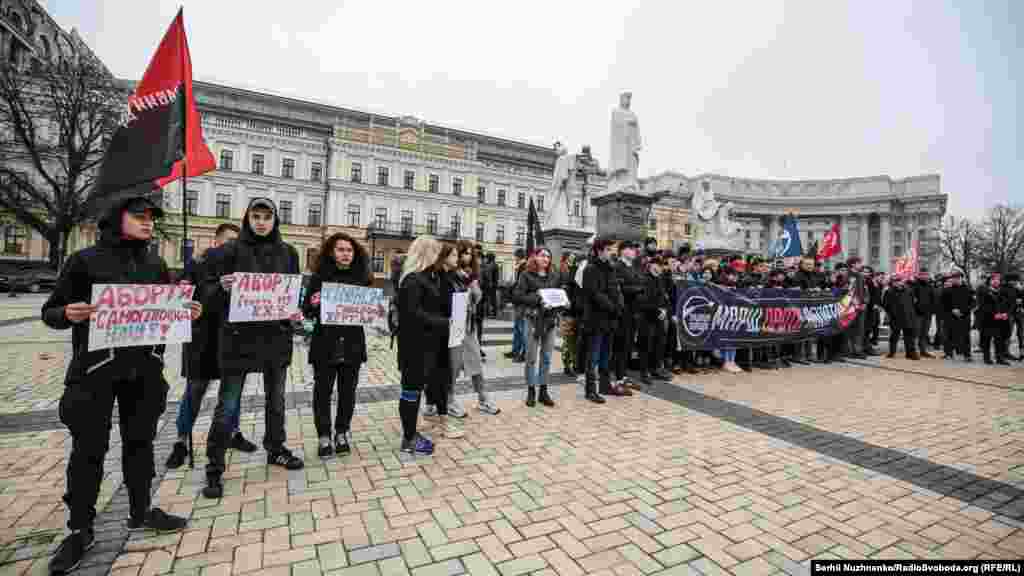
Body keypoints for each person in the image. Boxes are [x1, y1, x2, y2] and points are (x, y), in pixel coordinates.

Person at [43, 195, 198, 574]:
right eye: (139, 216)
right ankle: (80, 528)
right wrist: (66, 313)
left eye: (151, 218)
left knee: (140, 444)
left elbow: (165, 311)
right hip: (95, 371)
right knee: (89, 449)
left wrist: (187, 311)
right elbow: (50, 311)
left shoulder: (156, 262)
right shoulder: (85, 261)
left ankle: (140, 509)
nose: (148, 223)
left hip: (143, 371)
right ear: (117, 219)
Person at [202, 198, 304, 500]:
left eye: (266, 216)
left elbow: (291, 293)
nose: (261, 222)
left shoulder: (288, 253)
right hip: (237, 340)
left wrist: (294, 312)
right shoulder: (228, 252)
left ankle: (276, 448)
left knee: (276, 401)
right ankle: (214, 466)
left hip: (275, 339)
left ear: (275, 220)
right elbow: (205, 293)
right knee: (228, 405)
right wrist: (220, 287)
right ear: (247, 218)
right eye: (255, 216)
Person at [166, 223, 256, 470]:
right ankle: (181, 440)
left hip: (232, 340)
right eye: (227, 241)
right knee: (194, 391)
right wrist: (216, 288)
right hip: (201, 340)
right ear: (215, 242)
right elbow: (184, 300)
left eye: (236, 243)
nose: (232, 247)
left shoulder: (242, 269)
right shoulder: (196, 265)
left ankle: (232, 433)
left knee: (232, 394)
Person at [303, 232, 371, 459]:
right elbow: (307, 309)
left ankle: (342, 432)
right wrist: (317, 302)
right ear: (332, 252)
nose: (345, 254)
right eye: (341, 249)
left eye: (349, 250)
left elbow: (369, 310)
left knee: (347, 392)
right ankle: (324, 436)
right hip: (326, 343)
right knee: (322, 392)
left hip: (352, 344)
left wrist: (373, 309)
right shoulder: (319, 277)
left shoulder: (363, 277)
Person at [396, 237, 445, 454]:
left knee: (413, 390)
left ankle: (411, 435)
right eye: (436, 252)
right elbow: (414, 314)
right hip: (414, 347)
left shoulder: (425, 278)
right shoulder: (413, 280)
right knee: (410, 391)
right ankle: (408, 439)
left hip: (424, 345)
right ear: (427, 253)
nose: (439, 257)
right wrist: (444, 322)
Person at [453, 241, 500, 415]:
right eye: (464, 252)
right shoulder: (450, 274)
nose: (468, 256)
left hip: (468, 324)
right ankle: (444, 400)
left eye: (470, 253)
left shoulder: (472, 276)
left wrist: (474, 288)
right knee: (451, 366)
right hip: (452, 325)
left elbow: (477, 297)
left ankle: (483, 398)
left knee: (475, 361)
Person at [513, 247, 563, 407]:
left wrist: (563, 301)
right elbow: (518, 296)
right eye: (542, 256)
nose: (545, 259)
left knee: (547, 357)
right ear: (535, 257)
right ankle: (531, 390)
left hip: (550, 320)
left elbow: (558, 294)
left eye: (548, 256)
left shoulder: (554, 276)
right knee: (531, 357)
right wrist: (538, 296)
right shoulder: (526, 275)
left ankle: (543, 390)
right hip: (532, 320)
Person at [583, 237, 624, 401]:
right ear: (599, 250)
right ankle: (590, 390)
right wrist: (612, 307)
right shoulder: (590, 269)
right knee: (593, 356)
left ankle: (605, 385)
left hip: (610, 319)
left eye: (611, 249)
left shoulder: (611, 269)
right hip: (595, 319)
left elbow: (616, 289)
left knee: (606, 354)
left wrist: (619, 305)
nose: (611, 252)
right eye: (608, 249)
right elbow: (595, 293)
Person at [637, 255, 671, 384]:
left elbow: (664, 298)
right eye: (658, 265)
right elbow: (644, 300)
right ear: (651, 265)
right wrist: (658, 310)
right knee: (646, 345)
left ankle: (656, 369)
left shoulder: (660, 279)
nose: (660, 268)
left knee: (659, 344)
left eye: (662, 266)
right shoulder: (645, 279)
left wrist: (665, 310)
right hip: (646, 317)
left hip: (659, 317)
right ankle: (644, 372)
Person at [977, 272, 1012, 365]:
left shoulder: (1003, 291)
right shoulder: (984, 291)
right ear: (990, 281)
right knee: (987, 339)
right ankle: (987, 357)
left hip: (1000, 320)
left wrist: (1006, 314)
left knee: (1000, 339)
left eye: (998, 280)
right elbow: (982, 306)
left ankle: (1000, 358)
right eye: (994, 279)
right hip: (987, 319)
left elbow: (1009, 304)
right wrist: (994, 314)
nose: (996, 281)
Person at [883, 275, 919, 360]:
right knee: (894, 336)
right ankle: (892, 352)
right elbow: (886, 304)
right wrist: (892, 313)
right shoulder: (889, 291)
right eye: (895, 281)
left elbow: (912, 302)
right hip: (896, 318)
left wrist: (911, 313)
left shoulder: (908, 290)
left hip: (908, 316)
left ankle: (910, 353)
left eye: (899, 281)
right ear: (893, 282)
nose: (898, 283)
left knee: (909, 336)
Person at [940, 270, 974, 361]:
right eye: (954, 278)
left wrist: (963, 311)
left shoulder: (968, 289)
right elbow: (943, 303)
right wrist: (952, 310)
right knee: (949, 335)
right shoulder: (947, 290)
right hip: (951, 316)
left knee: (965, 336)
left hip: (964, 316)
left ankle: (967, 355)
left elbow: (972, 303)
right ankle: (948, 353)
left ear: (961, 278)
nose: (956, 280)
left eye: (958, 278)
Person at [506, 248, 528, 362]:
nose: (514, 259)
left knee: (521, 328)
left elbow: (520, 286)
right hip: (518, 302)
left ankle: (524, 353)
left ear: (518, 257)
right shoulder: (519, 267)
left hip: (521, 303)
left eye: (515, 257)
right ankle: (515, 350)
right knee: (517, 328)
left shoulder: (524, 268)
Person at [911, 269, 937, 358]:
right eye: (922, 274)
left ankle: (923, 350)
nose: (924, 276)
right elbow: (912, 299)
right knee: (916, 333)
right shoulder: (914, 285)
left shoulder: (930, 286)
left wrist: (932, 310)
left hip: (927, 314)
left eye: (926, 274)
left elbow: (933, 298)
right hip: (917, 314)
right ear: (919, 275)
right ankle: (913, 351)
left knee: (924, 333)